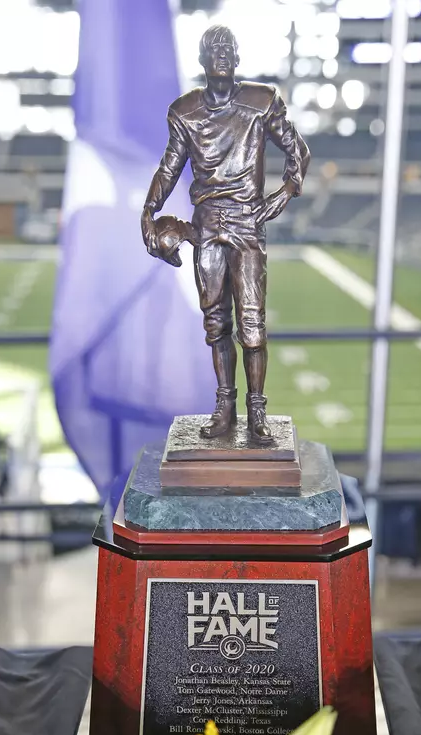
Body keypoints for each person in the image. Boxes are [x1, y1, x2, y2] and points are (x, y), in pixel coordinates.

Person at [141, 25, 310, 444]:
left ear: (237, 57)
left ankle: (256, 413)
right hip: (207, 225)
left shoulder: (261, 101)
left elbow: (298, 150)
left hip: (247, 223)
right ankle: (225, 406)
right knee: (216, 324)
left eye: (228, 48)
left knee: (252, 325)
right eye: (213, 48)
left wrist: (287, 190)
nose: (221, 54)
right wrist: (149, 210)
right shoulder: (185, 111)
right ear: (201, 60)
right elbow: (169, 167)